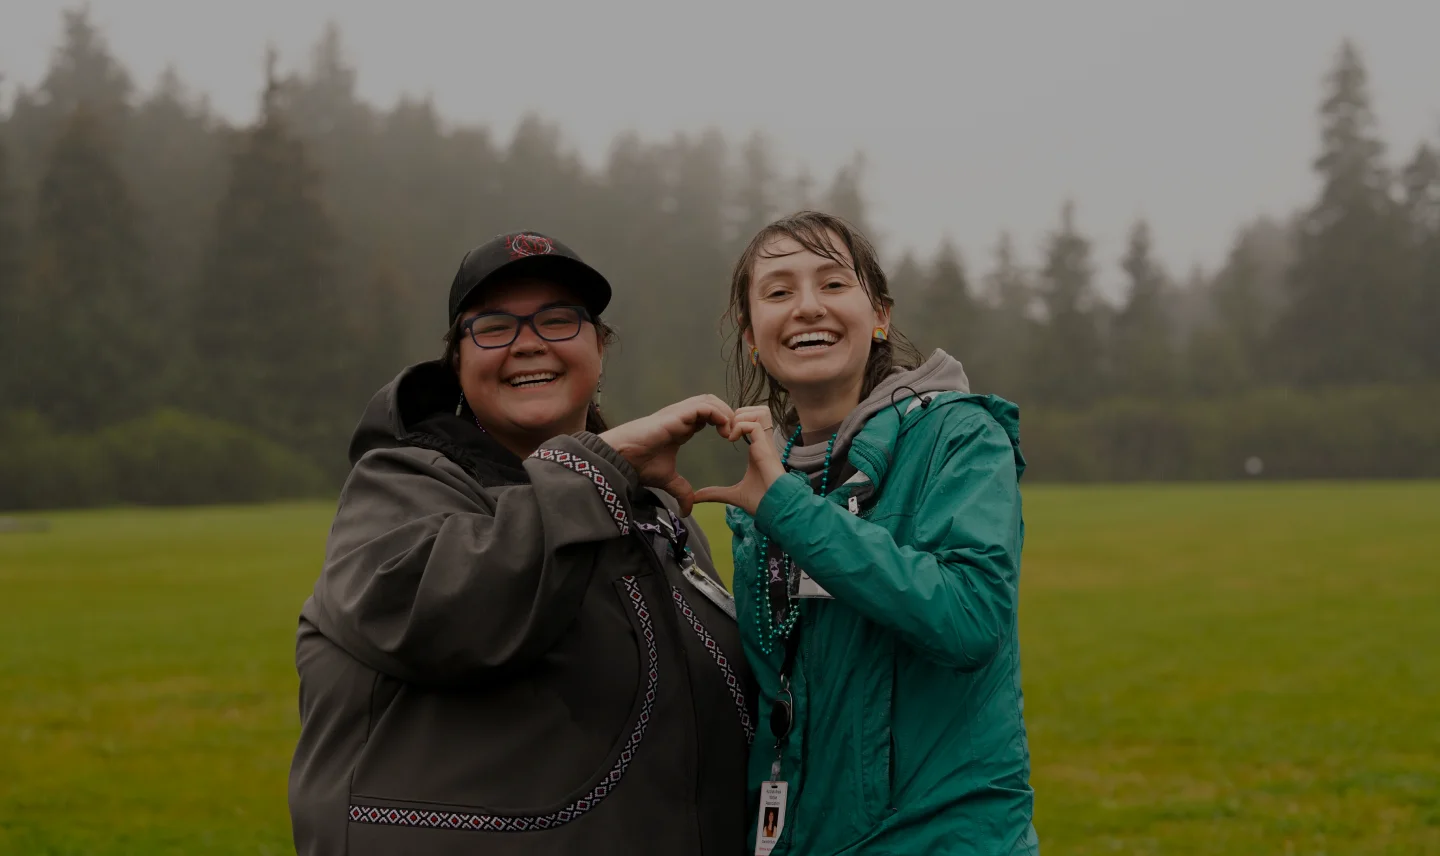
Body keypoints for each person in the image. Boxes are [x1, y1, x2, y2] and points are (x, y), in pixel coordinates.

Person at [288, 231, 756, 856]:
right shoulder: (397, 487)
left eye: (559, 320)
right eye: (494, 326)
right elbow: (449, 613)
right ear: (457, 360)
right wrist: (600, 465)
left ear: (600, 349)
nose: (528, 342)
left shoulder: (654, 509)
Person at [694, 211, 1039, 854]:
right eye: (777, 292)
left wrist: (787, 507)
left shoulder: (958, 438)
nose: (806, 308)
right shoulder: (762, 487)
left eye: (832, 284)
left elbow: (969, 618)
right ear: (750, 334)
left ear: (879, 314)